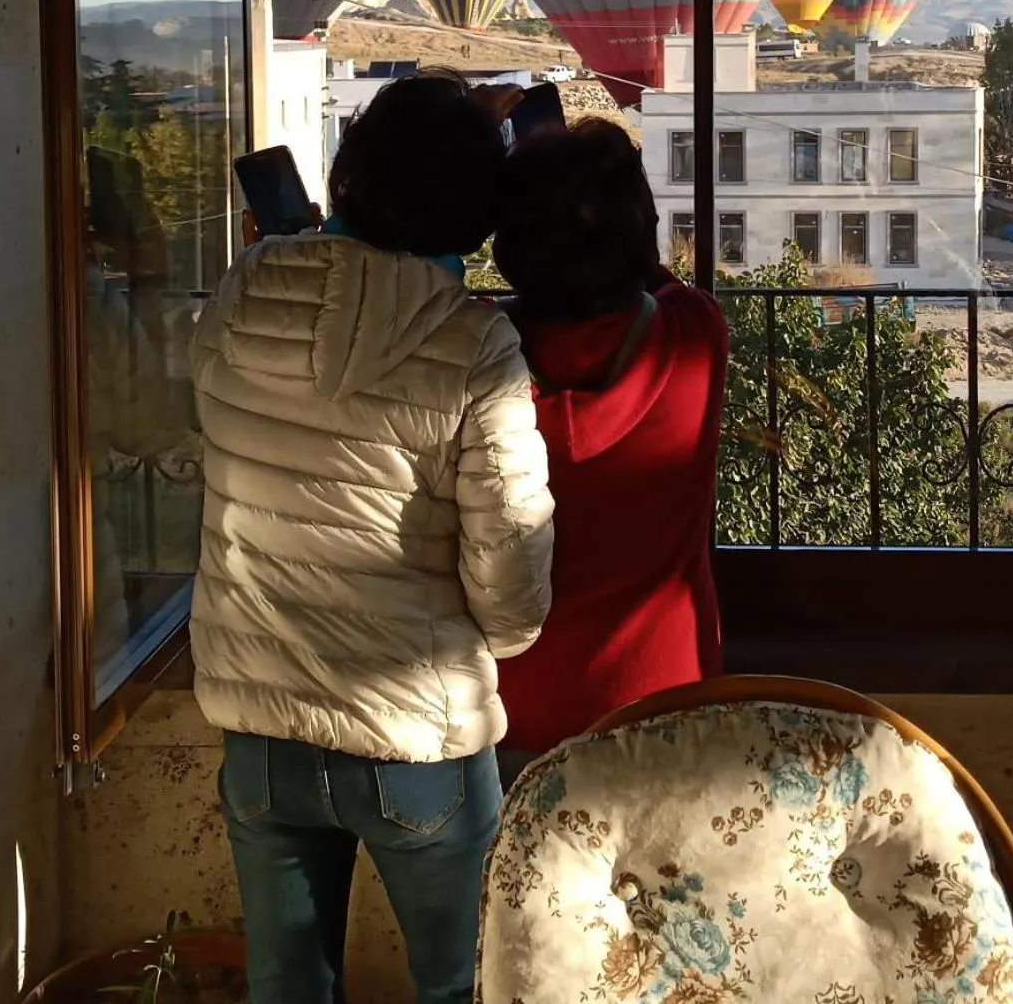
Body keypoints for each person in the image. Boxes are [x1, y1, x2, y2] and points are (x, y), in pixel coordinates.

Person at [190, 73, 553, 1004]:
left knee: (286, 988)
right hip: (417, 733)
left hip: (261, 727)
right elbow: (511, 569)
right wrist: (497, 642)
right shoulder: (475, 347)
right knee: (470, 985)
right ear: (477, 214)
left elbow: (206, 420)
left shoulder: (242, 292)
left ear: (347, 172)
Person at [489, 117, 728, 790]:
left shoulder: (470, 358)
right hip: (671, 705)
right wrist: (610, 217)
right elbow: (654, 277)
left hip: (511, 717)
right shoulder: (695, 334)